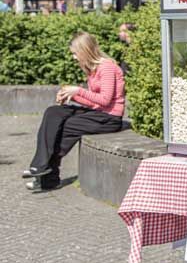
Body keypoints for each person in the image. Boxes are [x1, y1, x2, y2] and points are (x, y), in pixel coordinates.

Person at [23, 32, 125, 191]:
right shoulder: (93, 70)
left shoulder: (107, 67)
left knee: (68, 125)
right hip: (98, 113)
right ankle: (40, 166)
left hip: (109, 118)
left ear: (85, 51)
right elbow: (94, 102)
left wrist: (78, 91)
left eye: (75, 53)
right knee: (53, 112)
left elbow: (105, 99)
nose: (74, 57)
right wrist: (71, 97)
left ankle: (48, 178)